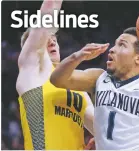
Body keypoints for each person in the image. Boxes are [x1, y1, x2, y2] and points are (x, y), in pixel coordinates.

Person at [50, 14, 139, 150]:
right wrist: (78, 56)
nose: (112, 49)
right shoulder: (98, 78)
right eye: (115, 44)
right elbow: (57, 80)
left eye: (122, 45)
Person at [16, 0, 94, 150]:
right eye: (47, 38)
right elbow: (49, 9)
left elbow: (100, 126)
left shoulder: (77, 85)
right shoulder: (31, 70)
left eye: (55, 39)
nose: (52, 41)